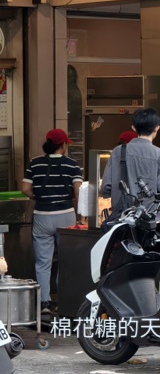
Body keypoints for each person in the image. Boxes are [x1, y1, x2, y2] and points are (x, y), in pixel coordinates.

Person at [21, 129, 82, 315]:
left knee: (43, 262)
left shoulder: (35, 163)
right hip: (65, 215)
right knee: (65, 262)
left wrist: (37, 196)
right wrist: (81, 216)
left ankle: (45, 303)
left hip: (42, 215)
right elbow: (78, 192)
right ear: (63, 145)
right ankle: (65, 303)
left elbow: (25, 188)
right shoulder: (72, 164)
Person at [101, 108, 160, 215]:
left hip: (122, 218)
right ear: (157, 128)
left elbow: (106, 188)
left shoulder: (118, 152)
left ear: (134, 128)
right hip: (151, 220)